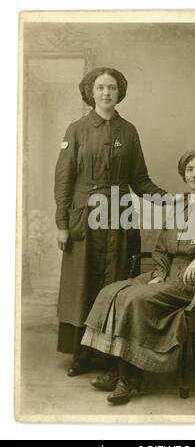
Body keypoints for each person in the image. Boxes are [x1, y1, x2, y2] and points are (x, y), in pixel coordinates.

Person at [81, 148, 195, 405]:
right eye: (190, 169)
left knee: (135, 298)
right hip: (167, 273)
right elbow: (160, 248)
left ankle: (131, 378)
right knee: (111, 291)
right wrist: (158, 273)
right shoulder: (179, 207)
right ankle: (118, 369)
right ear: (184, 174)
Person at [54, 67, 167, 376]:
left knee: (114, 280)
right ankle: (81, 354)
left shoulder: (129, 131)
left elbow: (140, 180)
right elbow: (63, 180)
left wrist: (169, 201)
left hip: (118, 216)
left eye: (112, 88)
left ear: (120, 93)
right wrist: (62, 223)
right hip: (84, 218)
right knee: (82, 283)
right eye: (101, 87)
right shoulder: (75, 129)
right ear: (90, 92)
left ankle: (110, 354)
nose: (106, 93)